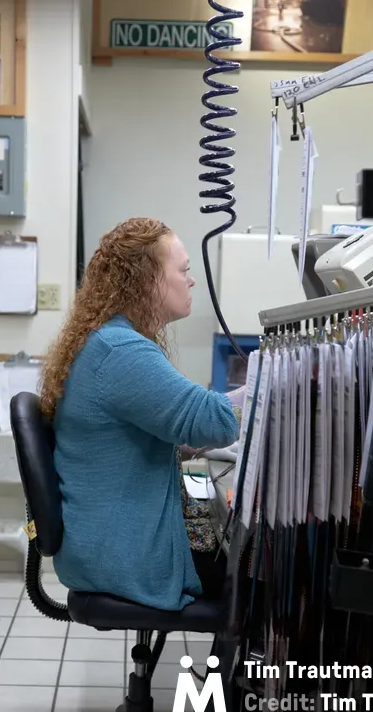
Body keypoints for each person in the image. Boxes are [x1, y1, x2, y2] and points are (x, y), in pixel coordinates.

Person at [39, 217, 246, 612]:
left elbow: (177, 425)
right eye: (183, 270)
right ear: (147, 279)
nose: (191, 281)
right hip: (126, 556)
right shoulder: (121, 351)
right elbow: (214, 420)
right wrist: (285, 378)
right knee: (265, 570)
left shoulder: (107, 340)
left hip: (104, 545)